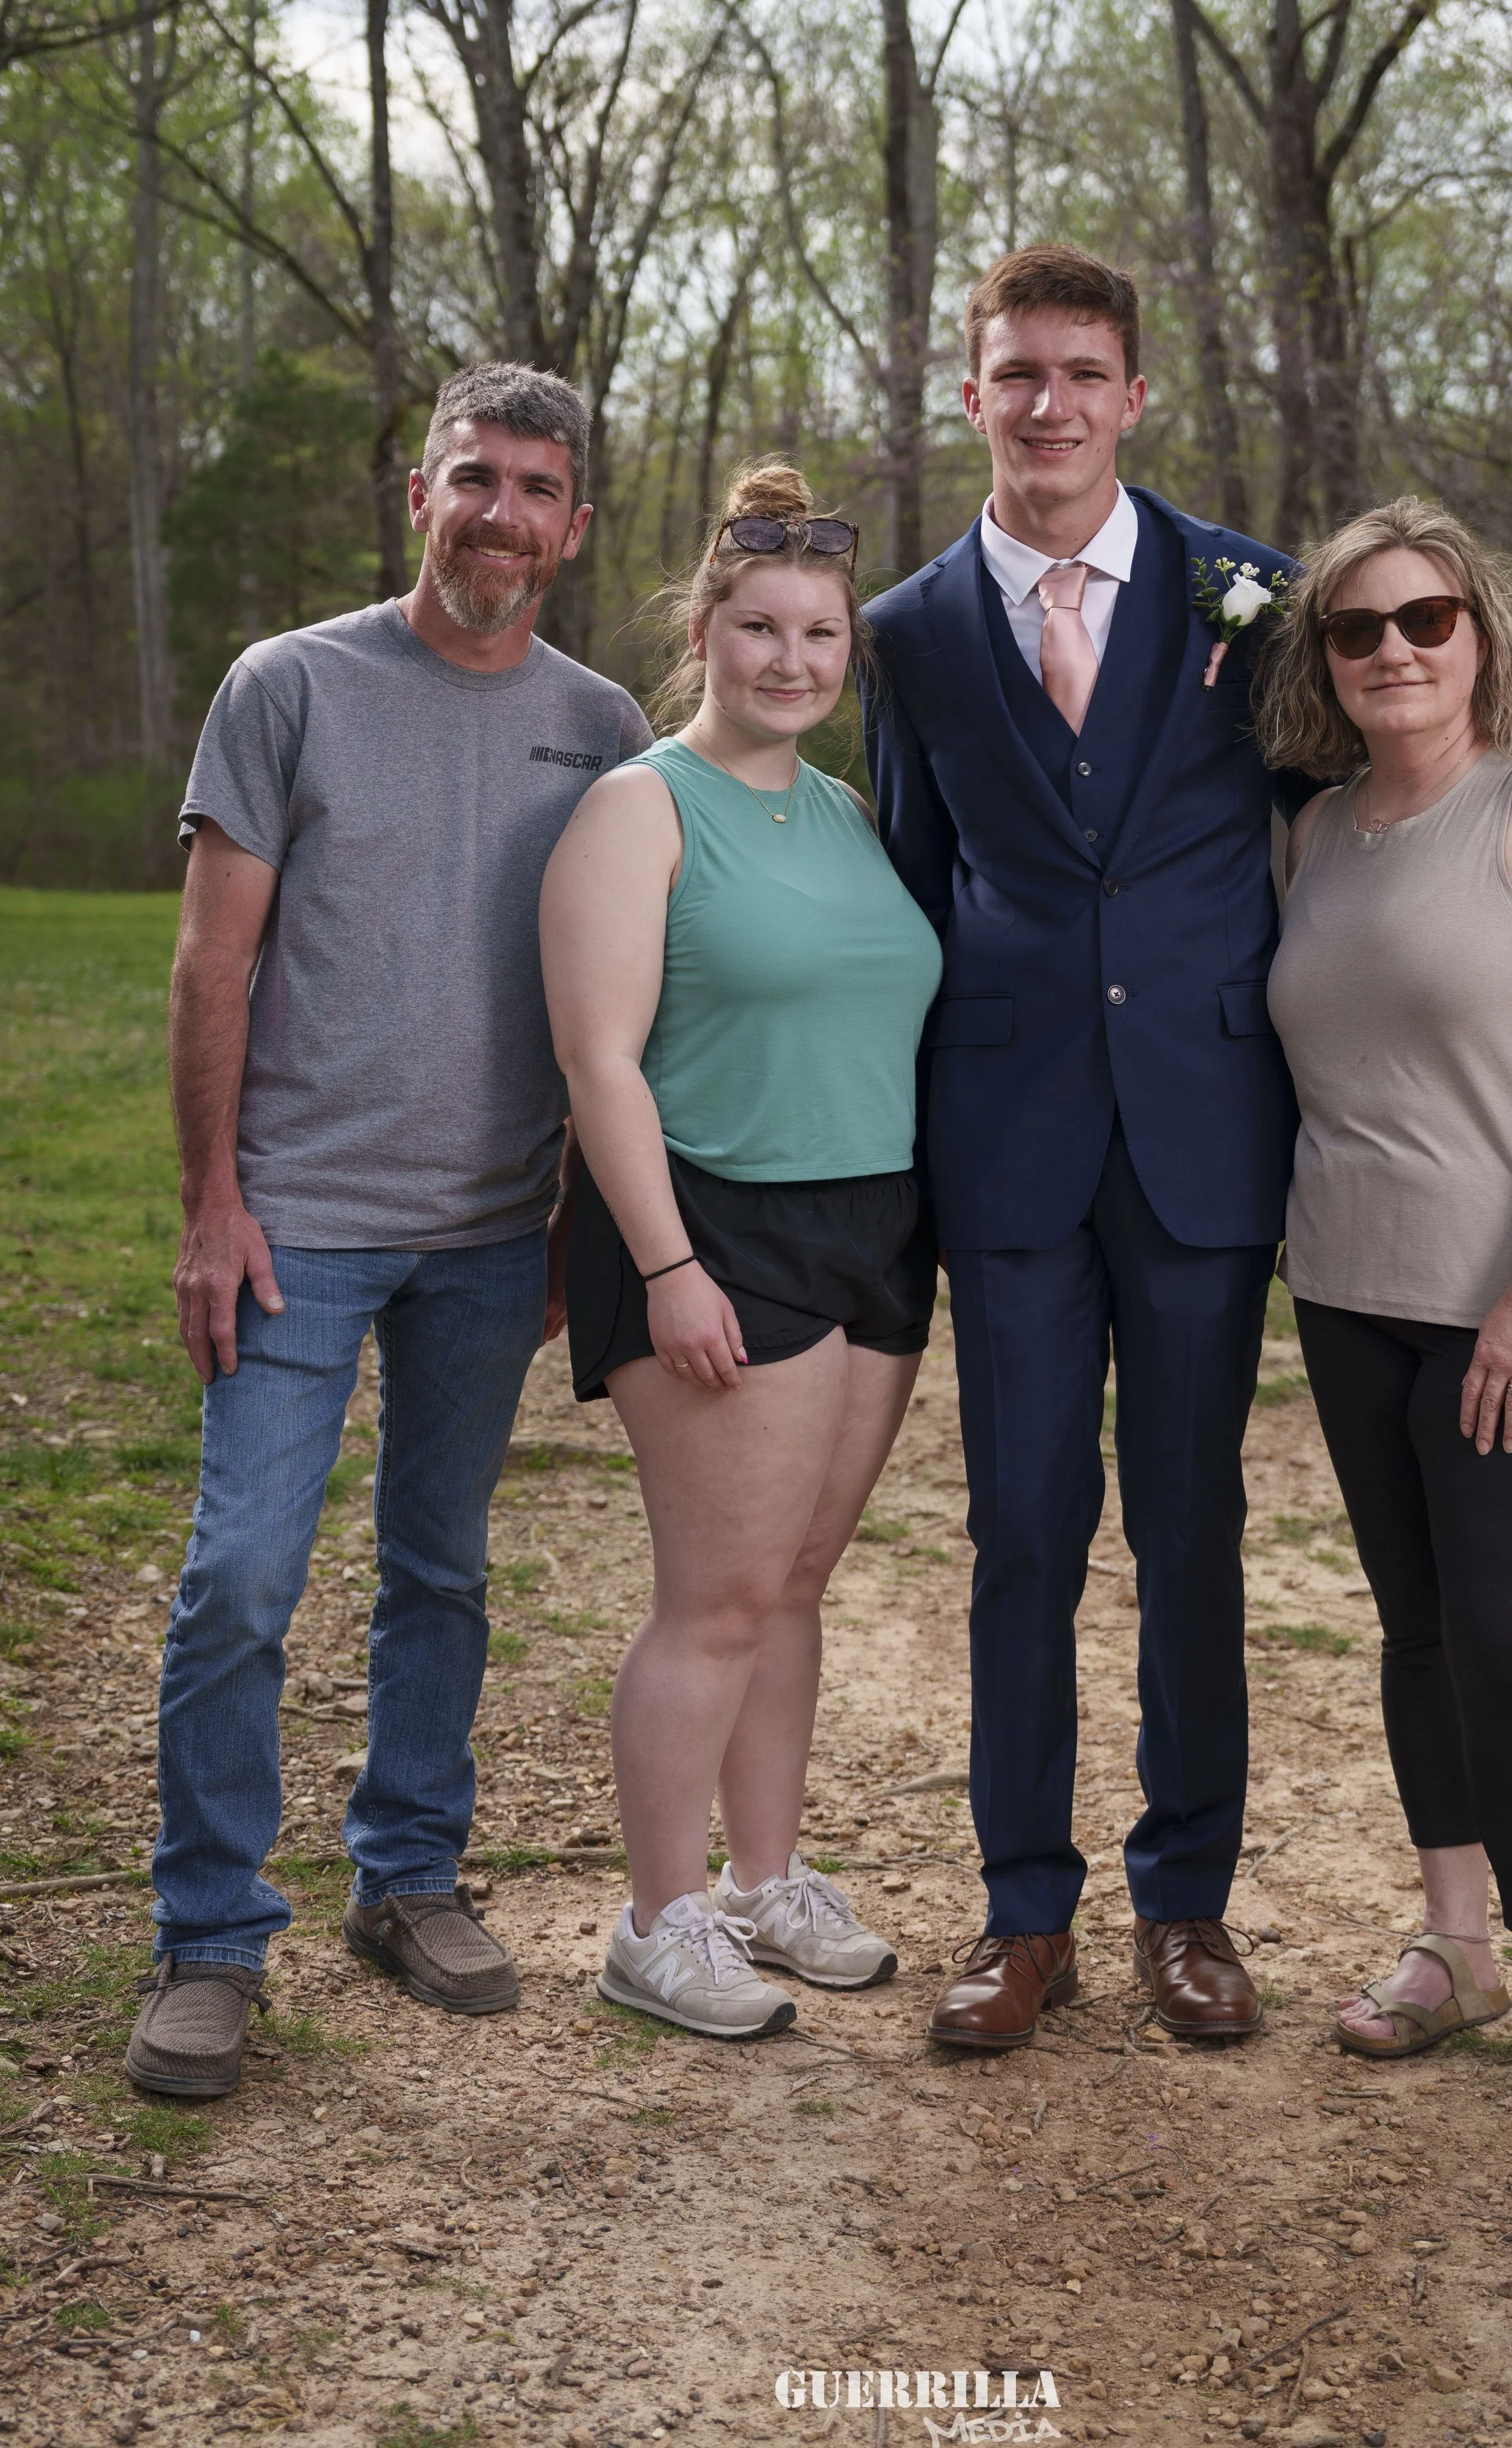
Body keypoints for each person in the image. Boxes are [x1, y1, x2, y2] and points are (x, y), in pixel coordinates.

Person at [862, 243, 1512, 2056]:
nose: (1046, 404)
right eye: (1014, 374)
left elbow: (1396, 792)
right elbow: (910, 892)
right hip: (1006, 1153)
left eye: (1081, 373)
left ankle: (1186, 1904)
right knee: (1020, 1536)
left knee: (1195, 1526)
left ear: (1134, 397)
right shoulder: (905, 634)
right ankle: (1019, 1910)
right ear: (967, 393)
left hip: (1215, 1147)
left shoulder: (1259, 600)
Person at [126, 364, 652, 2102]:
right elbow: (213, 959)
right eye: (471, 477)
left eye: (535, 489)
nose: (499, 512)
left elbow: (623, 985)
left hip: (496, 1232)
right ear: (415, 494)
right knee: (244, 1576)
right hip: (296, 1224)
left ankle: (406, 1877)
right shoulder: (290, 686)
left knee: (440, 1569)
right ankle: (209, 1937)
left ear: (571, 528)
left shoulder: (603, 723)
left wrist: (588, 1206)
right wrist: (213, 1204)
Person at [1261, 495, 1512, 2136]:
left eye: (1422, 619)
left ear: (1478, 630)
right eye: (1354, 630)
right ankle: (1452, 1944)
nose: (1390, 650)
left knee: (1509, 1636)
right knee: (1416, 1627)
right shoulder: (1311, 829)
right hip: (1350, 1291)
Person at [540, 462, 943, 2040]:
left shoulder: (842, 810)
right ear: (703, 630)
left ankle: (768, 1882)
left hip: (874, 1231)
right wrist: (663, 1267)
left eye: (821, 635)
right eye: (760, 628)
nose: (791, 660)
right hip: (715, 1231)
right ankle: (658, 1920)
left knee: (793, 1585)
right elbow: (599, 1062)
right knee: (712, 1597)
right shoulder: (635, 808)